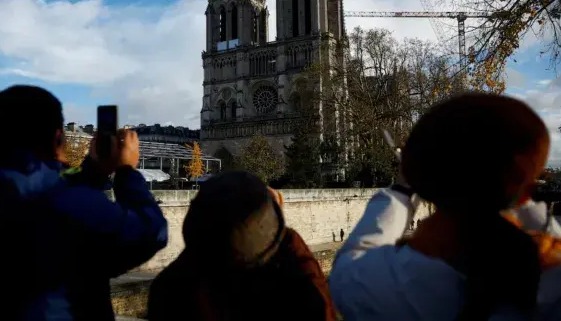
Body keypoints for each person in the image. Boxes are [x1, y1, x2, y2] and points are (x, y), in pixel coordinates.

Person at [329, 93, 561, 321]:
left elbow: (351, 259)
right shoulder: (551, 276)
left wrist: (402, 191)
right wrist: (518, 192)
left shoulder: (381, 285)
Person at [0, 85, 168, 320]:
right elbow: (151, 230)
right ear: (58, 138)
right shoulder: (67, 205)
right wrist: (126, 171)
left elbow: (41, 184)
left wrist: (95, 170)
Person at [147, 171, 336, 321]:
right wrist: (281, 231)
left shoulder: (167, 294)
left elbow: (200, 250)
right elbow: (317, 305)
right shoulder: (287, 298)